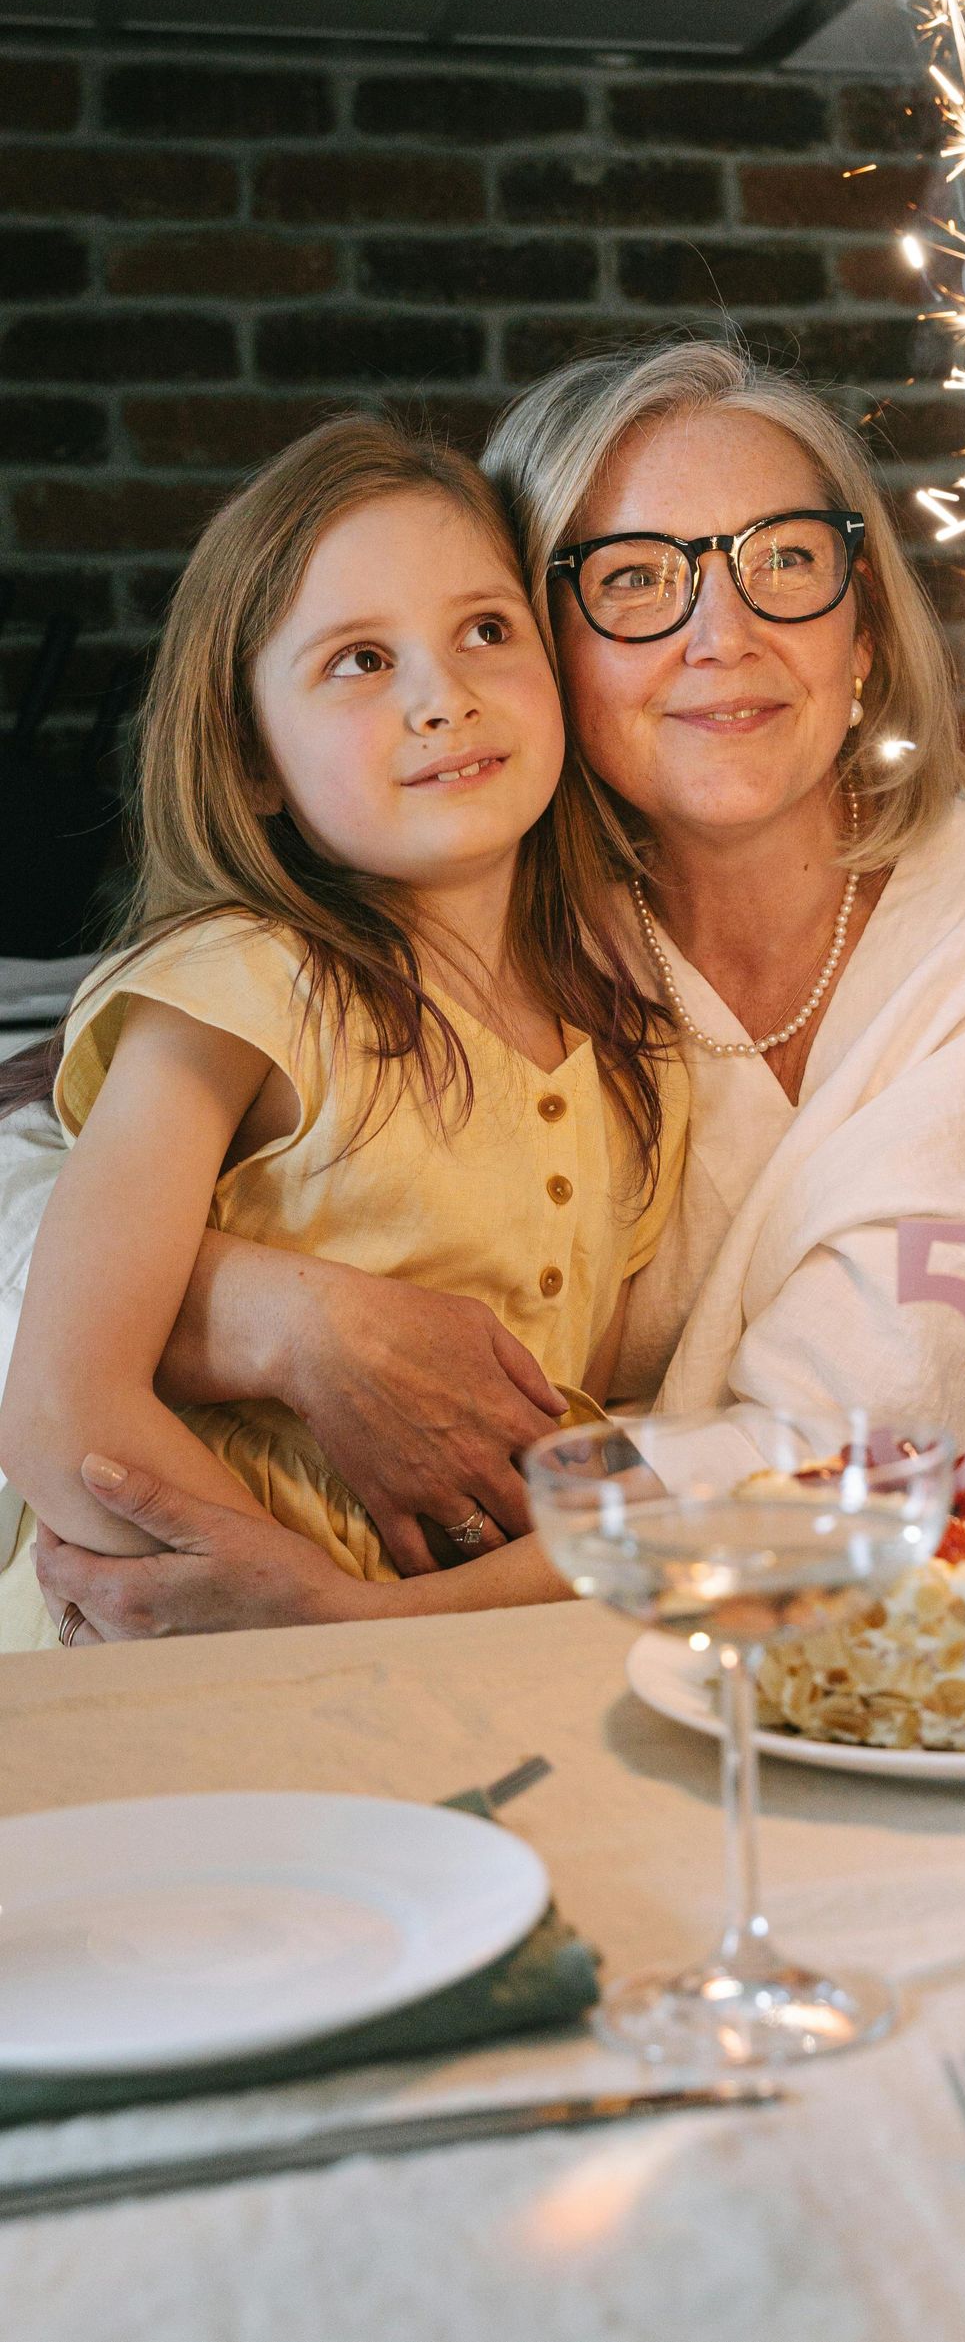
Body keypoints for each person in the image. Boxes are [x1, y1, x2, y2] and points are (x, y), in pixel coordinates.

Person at [5, 342, 965, 1638]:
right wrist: (289, 1323)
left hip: (837, 1657)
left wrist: (345, 1621)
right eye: (636, 580)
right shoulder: (462, 932)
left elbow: (869, 1451)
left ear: (866, 617)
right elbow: (39, 1234)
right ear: (555, 650)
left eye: (784, 559)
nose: (724, 635)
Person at [0, 417, 686, 1647]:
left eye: (487, 630)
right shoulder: (236, 993)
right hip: (165, 1665)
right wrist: (288, 1606)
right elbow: (65, 1406)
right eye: (360, 660)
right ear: (251, 757)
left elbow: (574, 1461)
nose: (446, 696)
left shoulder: (628, 1041)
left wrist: (393, 1626)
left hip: (441, 1669)